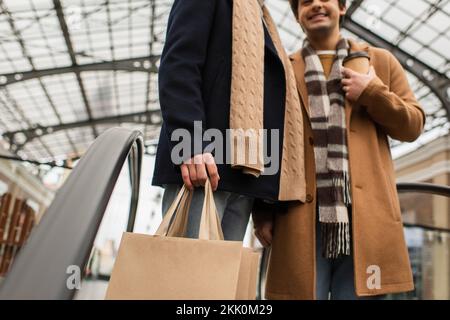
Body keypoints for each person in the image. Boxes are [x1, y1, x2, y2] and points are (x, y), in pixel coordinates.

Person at [253, 0, 425, 300]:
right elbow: (269, 142)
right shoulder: (282, 68)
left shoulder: (380, 62)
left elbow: (412, 126)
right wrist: (262, 210)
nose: (316, 4)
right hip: (299, 220)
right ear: (297, 14)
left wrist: (372, 92)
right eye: (306, 2)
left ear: (342, 7)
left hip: (365, 222)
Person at [152, 0, 307, 240]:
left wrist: (264, 201)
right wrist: (190, 145)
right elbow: (179, 64)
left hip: (243, 176)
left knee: (219, 276)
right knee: (187, 271)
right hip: (202, 167)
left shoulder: (261, 16)